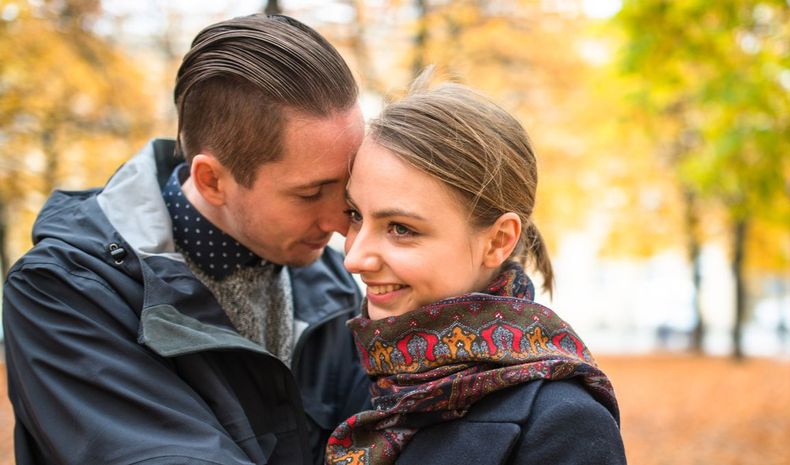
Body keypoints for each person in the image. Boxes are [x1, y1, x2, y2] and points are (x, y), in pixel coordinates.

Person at [3, 14, 371, 465]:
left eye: (348, 187)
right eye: (310, 193)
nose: (343, 222)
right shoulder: (63, 293)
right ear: (212, 180)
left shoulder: (333, 281)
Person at [325, 74, 627, 465]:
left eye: (401, 228)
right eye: (354, 216)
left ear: (498, 240)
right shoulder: (356, 378)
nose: (354, 258)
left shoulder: (564, 422)